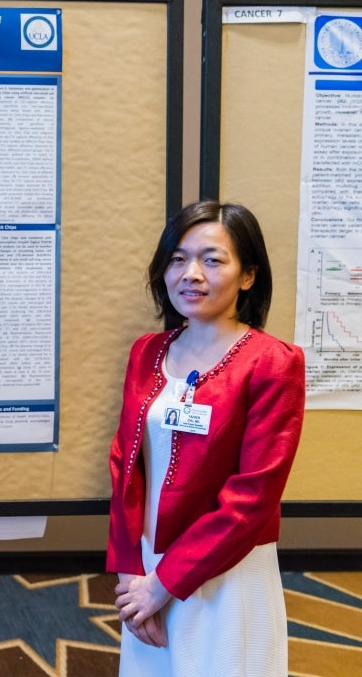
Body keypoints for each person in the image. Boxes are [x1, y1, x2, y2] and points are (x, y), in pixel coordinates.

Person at [107, 200, 304, 676]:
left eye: (212, 260)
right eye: (178, 259)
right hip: (150, 557)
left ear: (248, 275)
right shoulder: (148, 351)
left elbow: (253, 497)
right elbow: (124, 464)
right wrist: (132, 572)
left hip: (227, 567)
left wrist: (165, 584)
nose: (190, 273)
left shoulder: (273, 362)